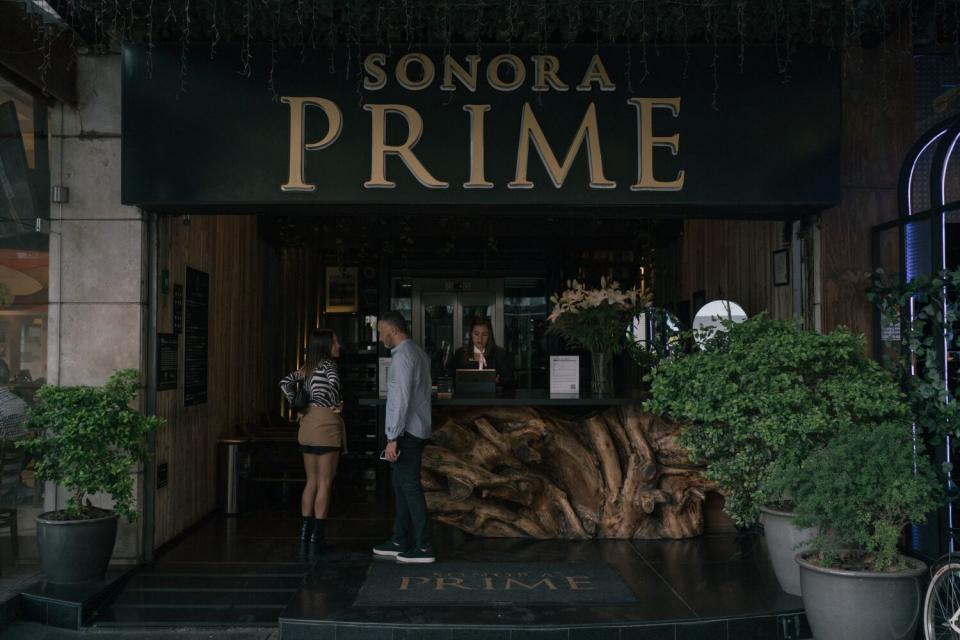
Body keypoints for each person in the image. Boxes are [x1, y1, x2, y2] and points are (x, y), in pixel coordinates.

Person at [373, 310, 435, 564]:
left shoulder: (402, 358)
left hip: (406, 432)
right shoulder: (418, 352)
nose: (379, 338)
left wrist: (392, 438)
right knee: (401, 487)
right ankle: (399, 539)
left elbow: (400, 401)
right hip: (416, 429)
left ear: (393, 330)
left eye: (381, 332)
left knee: (409, 488)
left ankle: (424, 547)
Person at [279, 329, 344, 555]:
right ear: (326, 345)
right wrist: (338, 403)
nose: (339, 345)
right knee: (325, 482)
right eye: (335, 341)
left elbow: (284, 382)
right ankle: (318, 538)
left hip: (307, 424)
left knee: (311, 481)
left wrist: (297, 406)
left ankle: (305, 535)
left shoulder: (308, 367)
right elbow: (334, 386)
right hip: (326, 423)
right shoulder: (329, 366)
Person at [449, 316, 515, 389]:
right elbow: (450, 380)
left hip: (493, 398)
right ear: (471, 334)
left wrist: (498, 382)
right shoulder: (460, 353)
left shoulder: (500, 354)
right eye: (476, 334)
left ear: (489, 335)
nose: (480, 339)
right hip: (465, 398)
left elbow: (510, 381)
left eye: (484, 335)